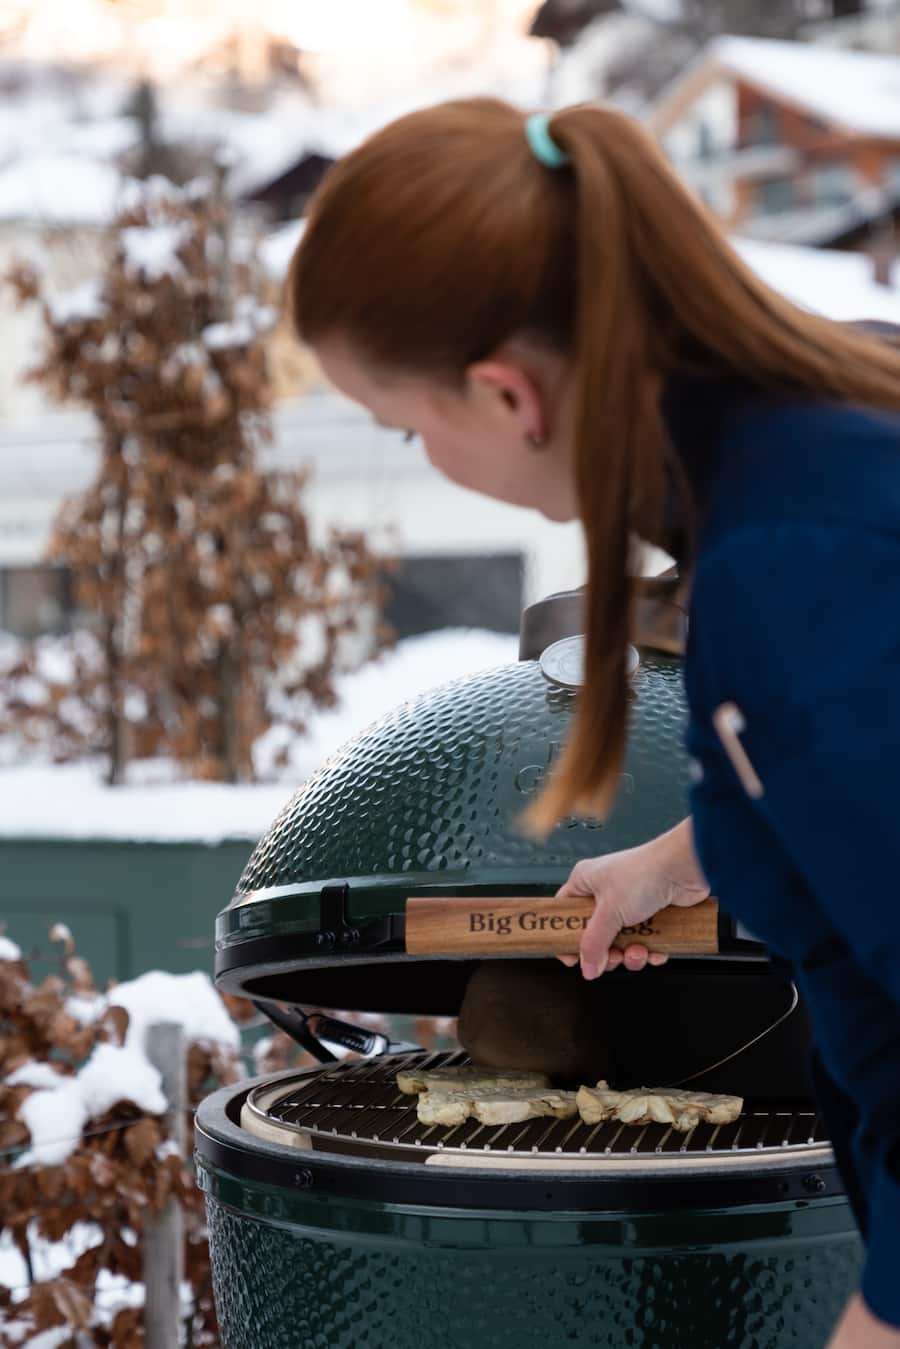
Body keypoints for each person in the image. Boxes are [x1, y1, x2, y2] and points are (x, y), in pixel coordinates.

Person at [287, 99, 900, 1348]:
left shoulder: (794, 558)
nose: (423, 455)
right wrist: (674, 859)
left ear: (505, 392)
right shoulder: (819, 423)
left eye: (409, 427)